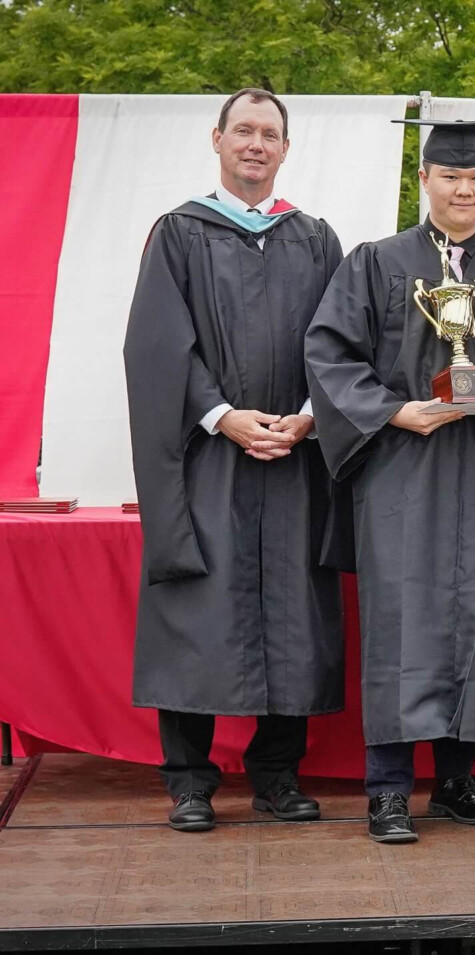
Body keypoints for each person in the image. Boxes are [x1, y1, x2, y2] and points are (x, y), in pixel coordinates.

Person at [305, 119, 475, 844]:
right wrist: (394, 409)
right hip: (404, 471)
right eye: (450, 176)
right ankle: (389, 788)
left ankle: (459, 778)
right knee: (404, 623)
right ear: (424, 180)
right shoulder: (374, 263)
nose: (464, 189)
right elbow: (329, 354)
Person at [124, 88, 345, 832]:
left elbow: (342, 341)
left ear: (286, 149)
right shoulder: (181, 232)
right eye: (243, 131)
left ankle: (278, 774)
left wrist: (312, 415)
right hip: (208, 457)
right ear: (217, 139)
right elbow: (157, 345)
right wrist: (222, 416)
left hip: (293, 451)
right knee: (196, 606)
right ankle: (189, 779)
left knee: (291, 611)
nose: (256, 144)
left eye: (270, 134)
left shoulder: (314, 237)